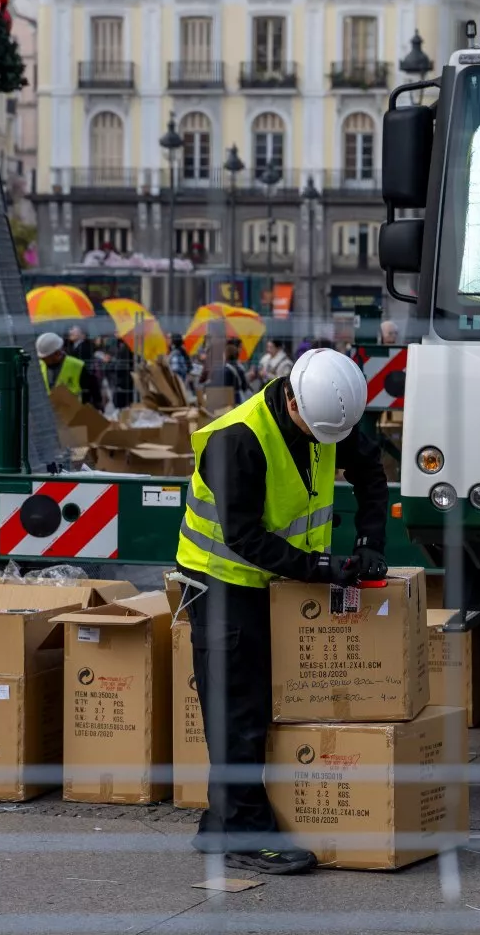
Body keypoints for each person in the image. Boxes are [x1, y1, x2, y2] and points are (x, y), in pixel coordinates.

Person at [175, 348, 389, 875]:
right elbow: (243, 535)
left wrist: (370, 541)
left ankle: (221, 824)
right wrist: (318, 568)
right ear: (292, 399)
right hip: (222, 581)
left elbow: (370, 474)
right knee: (237, 711)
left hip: (276, 579)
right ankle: (245, 837)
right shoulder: (238, 440)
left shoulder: (330, 416)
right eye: (318, 435)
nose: (326, 446)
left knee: (261, 705)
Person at [35, 332, 86, 398]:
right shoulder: (39, 366)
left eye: (45, 358)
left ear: (57, 354)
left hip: (72, 407)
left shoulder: (77, 366)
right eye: (42, 358)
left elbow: (90, 393)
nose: (43, 360)